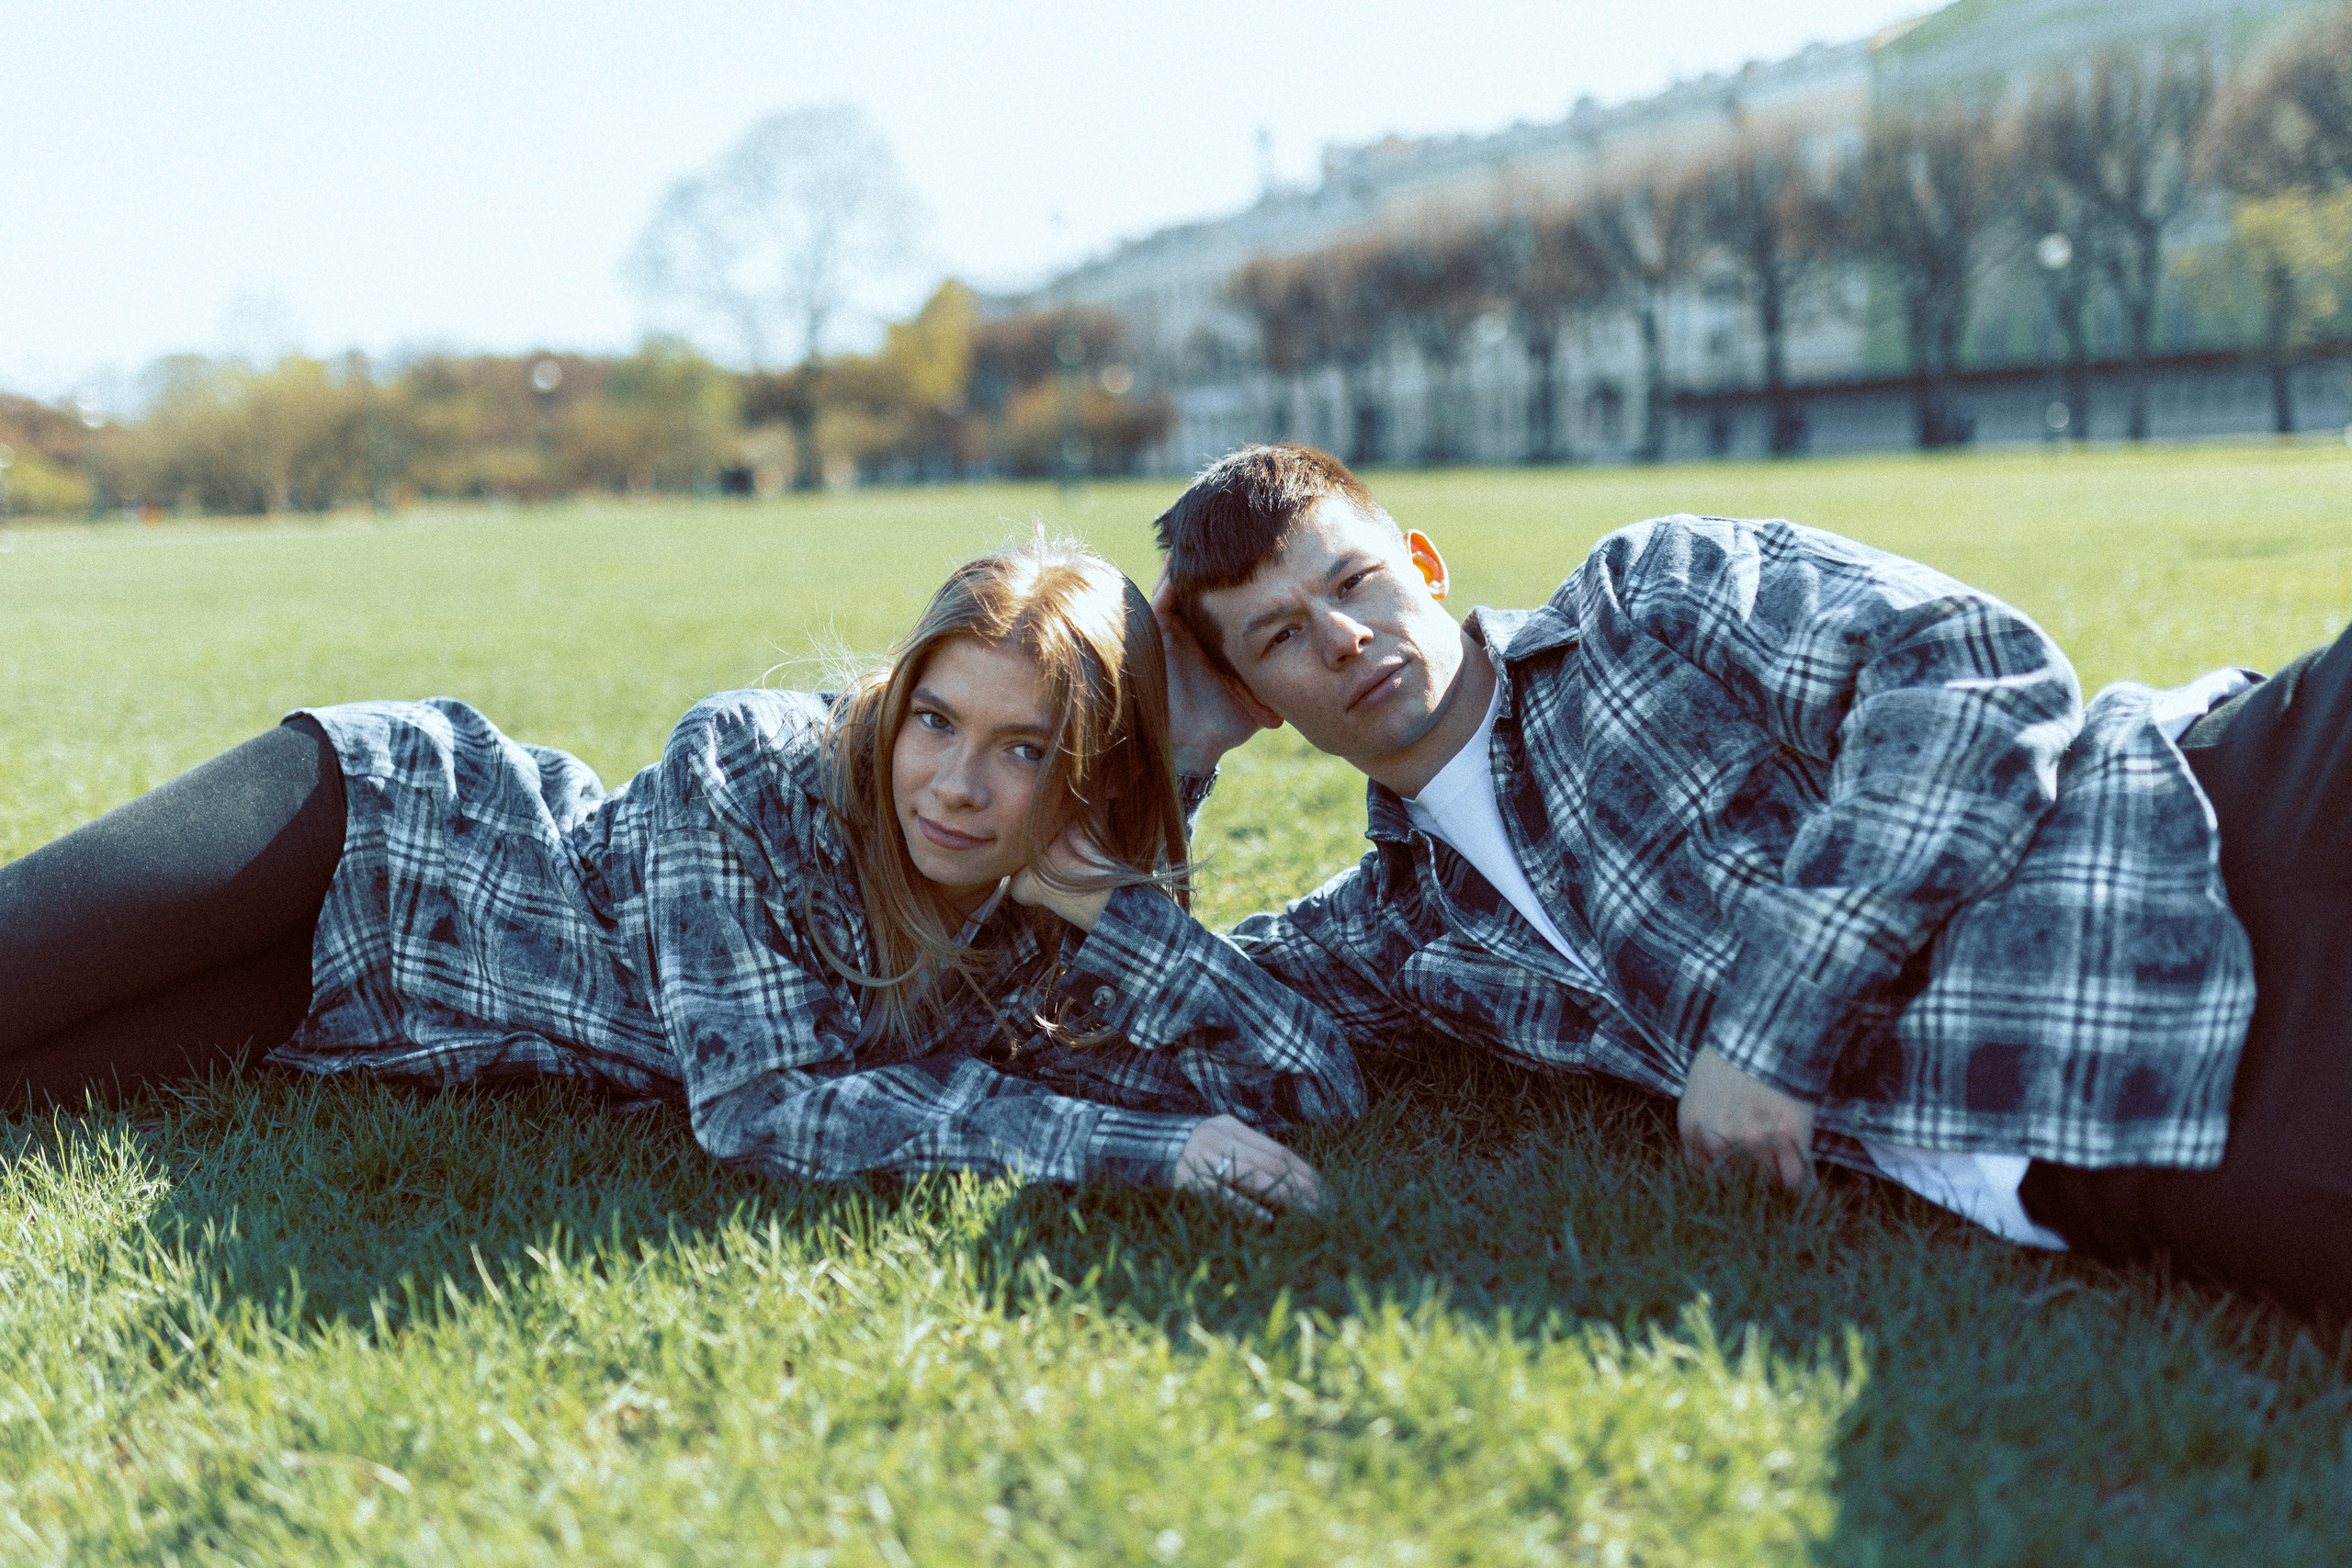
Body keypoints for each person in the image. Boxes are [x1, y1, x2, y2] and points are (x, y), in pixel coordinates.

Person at [1151, 443, 2352, 1314]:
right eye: (1279, 636)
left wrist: (1767, 1035)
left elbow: (1969, 670)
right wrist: (1172, 748)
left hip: (2211, 817)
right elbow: (1136, 1015)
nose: (1344, 638)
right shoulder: (1392, 937)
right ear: (1257, 698)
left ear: (1422, 563)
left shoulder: (1640, 598)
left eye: (1353, 581)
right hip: (2123, 1117)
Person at [0, 535, 1355, 1219]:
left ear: (1087, 773)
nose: (955, 784)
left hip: (360, 1006)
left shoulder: (1052, 932)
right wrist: (1141, 1149)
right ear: (898, 702)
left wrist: (1115, 914)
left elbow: (1313, 1081)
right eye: (936, 721)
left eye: (1025, 750)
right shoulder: (750, 764)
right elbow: (764, 1108)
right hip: (373, 826)